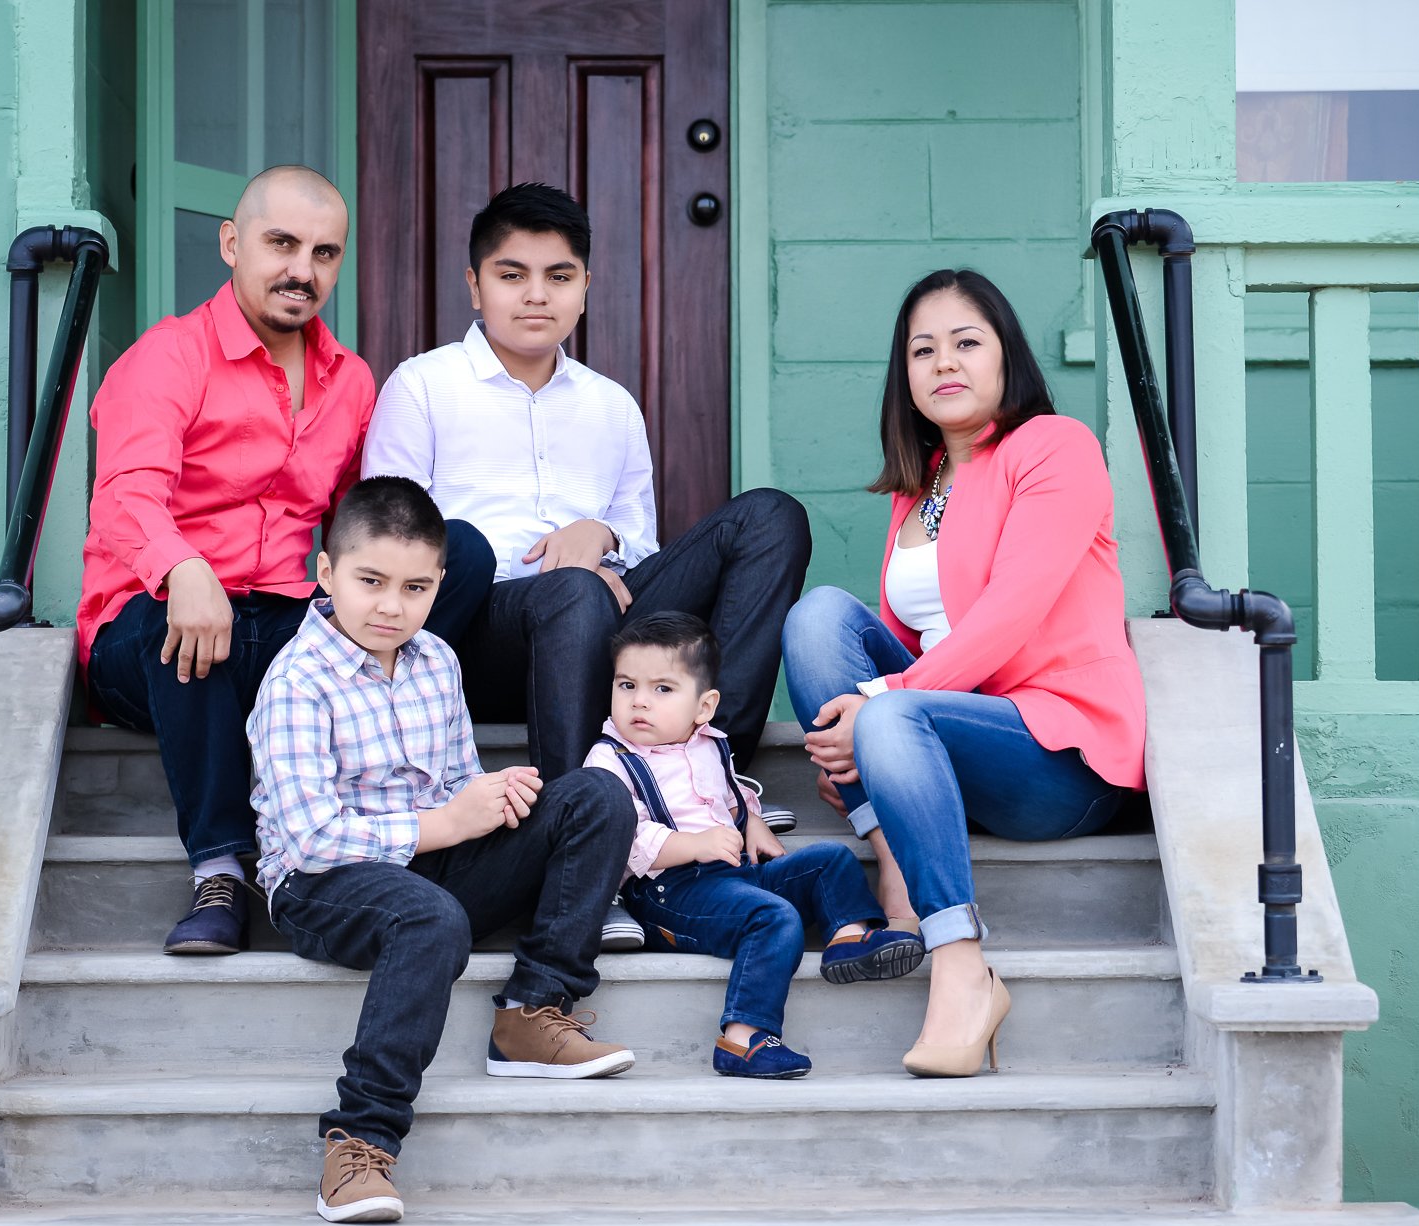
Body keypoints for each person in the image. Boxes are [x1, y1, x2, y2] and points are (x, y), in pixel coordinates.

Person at [780, 269, 1147, 1079]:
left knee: (887, 718)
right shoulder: (918, 491)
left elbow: (1009, 615)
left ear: (1005, 355)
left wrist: (881, 708)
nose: (944, 362)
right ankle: (900, 872)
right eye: (922, 349)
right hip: (944, 734)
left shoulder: (1054, 447)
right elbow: (913, 644)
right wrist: (880, 741)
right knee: (817, 618)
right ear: (903, 377)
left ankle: (959, 965)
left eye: (965, 342)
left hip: (1057, 751)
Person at [248, 476, 639, 1224]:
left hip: (433, 867)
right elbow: (311, 835)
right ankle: (358, 1138)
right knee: (428, 918)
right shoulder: (297, 681)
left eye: (416, 586)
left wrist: (498, 799)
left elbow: (458, 781)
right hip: (322, 883)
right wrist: (446, 825)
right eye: (371, 581)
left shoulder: (435, 660)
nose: (392, 605)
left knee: (595, 793)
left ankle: (533, 1007)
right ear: (326, 574)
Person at [359, 182, 811, 804]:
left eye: (560, 276)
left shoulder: (612, 405)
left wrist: (603, 535)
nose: (537, 295)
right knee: (570, 589)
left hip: (607, 623)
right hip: (484, 637)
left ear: (585, 288)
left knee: (771, 516)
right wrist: (561, 577)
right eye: (512, 275)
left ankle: (716, 778)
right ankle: (580, 822)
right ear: (474, 286)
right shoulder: (422, 386)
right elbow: (386, 545)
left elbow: (642, 545)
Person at [77, 165, 374, 956]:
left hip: (276, 616)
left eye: (324, 253)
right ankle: (220, 870)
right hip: (149, 627)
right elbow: (127, 496)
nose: (301, 271)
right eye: (281, 244)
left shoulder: (352, 382)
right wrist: (183, 568)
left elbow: (352, 521)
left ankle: (349, 858)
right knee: (187, 635)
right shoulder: (168, 356)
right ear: (231, 243)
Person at [583, 612, 925, 1080]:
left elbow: (729, 793)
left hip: (731, 874)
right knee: (773, 916)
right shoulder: (610, 758)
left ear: (703, 708)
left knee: (831, 859)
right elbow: (621, 839)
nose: (640, 702)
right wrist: (692, 844)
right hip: (668, 894)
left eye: (662, 689)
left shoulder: (709, 743)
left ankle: (847, 939)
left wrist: (754, 821)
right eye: (627, 686)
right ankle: (744, 1038)